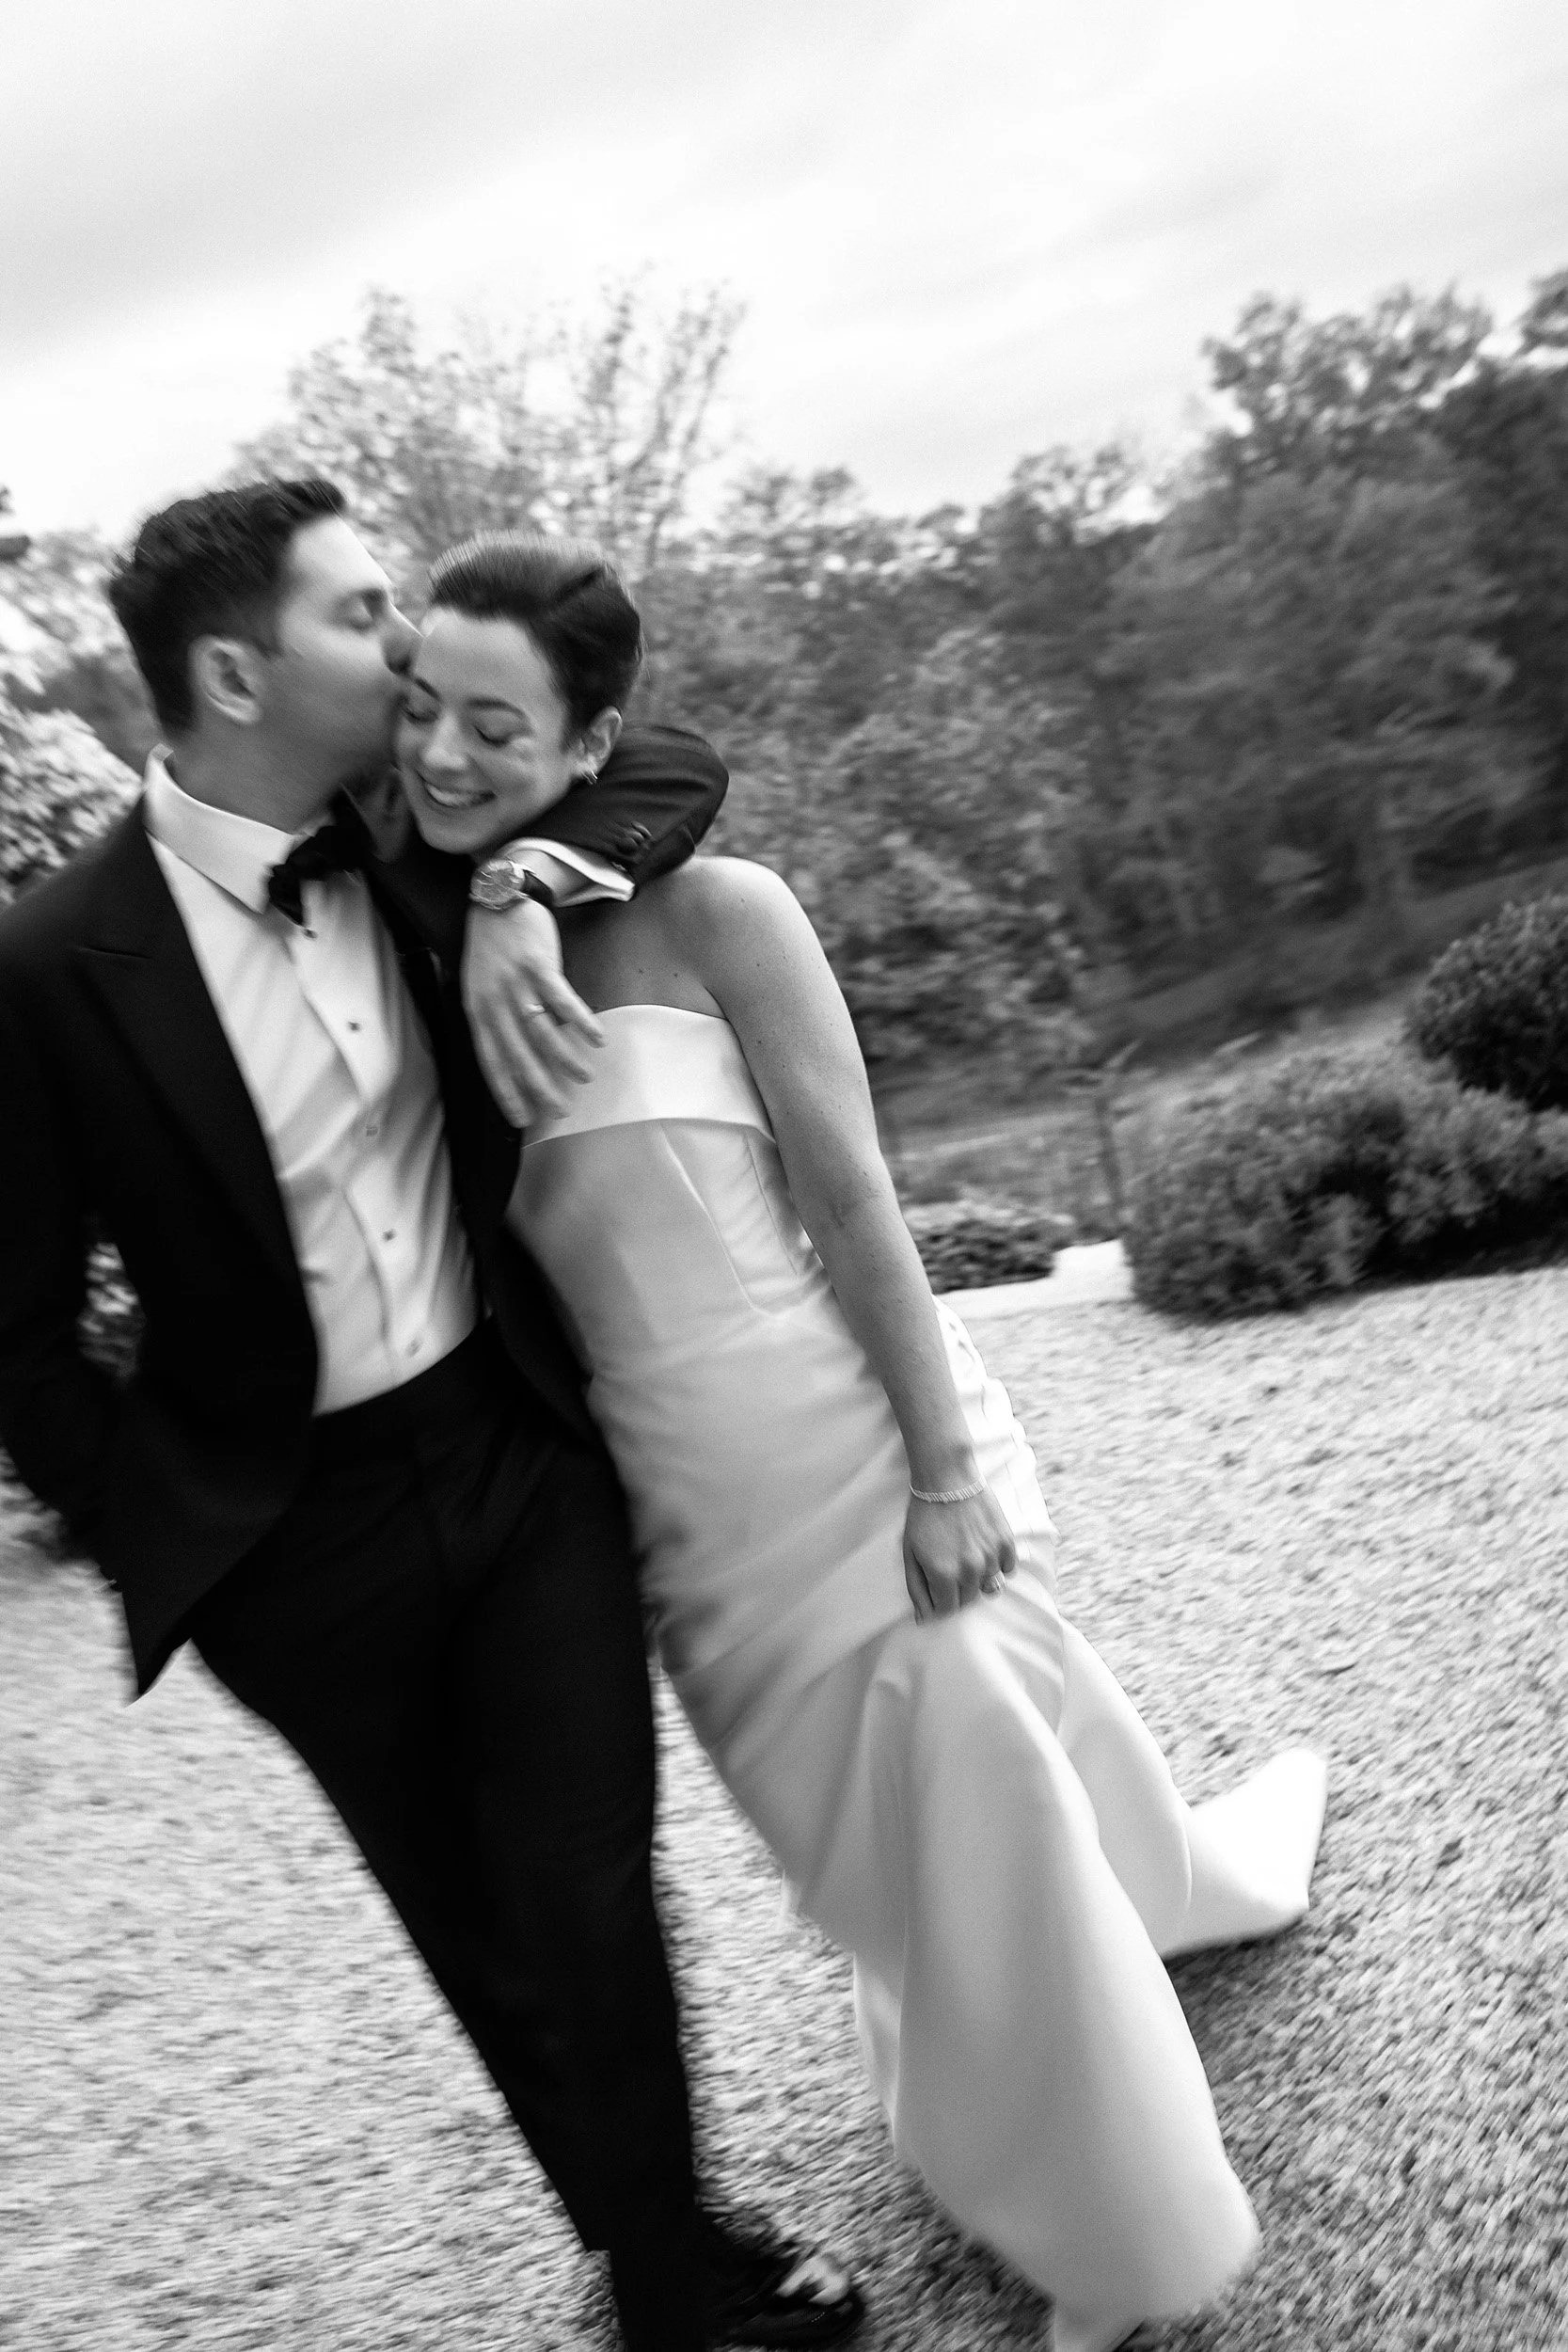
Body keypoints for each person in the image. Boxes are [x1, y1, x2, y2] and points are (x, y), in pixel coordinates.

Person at [396, 529, 1332, 2352]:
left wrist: (942, 1470)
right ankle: (1103, 1957)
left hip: (843, 1444)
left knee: (982, 1800)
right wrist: (503, 883)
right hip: (675, 1517)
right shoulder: (423, 941)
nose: (438, 750)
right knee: (860, 1858)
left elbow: (854, 1202)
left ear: (589, 745)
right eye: (419, 706)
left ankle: (1122, 2233)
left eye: (493, 726)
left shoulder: (722, 913)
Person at [0, 480, 865, 2351]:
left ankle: (670, 2280)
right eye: (360, 610)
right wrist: (170, 1535)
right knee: (471, 1926)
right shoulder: (50, 964)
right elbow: (13, 1330)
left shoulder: (423, 838)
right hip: (288, 1540)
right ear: (235, 675)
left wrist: (514, 890)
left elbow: (665, 762)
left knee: (589, 1887)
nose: (403, 643)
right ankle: (644, 2230)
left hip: (512, 1450)